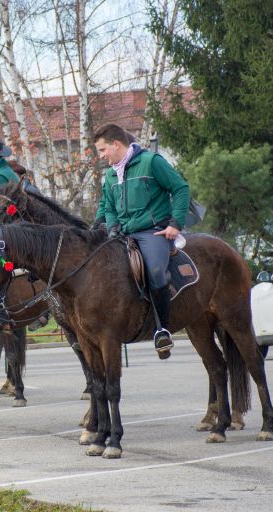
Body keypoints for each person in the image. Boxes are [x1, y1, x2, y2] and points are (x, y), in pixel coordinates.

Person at [92, 123, 189, 360]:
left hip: (152, 232)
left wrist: (175, 224)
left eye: (103, 150)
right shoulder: (110, 174)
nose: (101, 157)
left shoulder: (152, 162)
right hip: (123, 233)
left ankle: (162, 329)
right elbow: (110, 206)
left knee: (155, 270)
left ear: (116, 144)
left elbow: (180, 189)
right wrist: (112, 227)